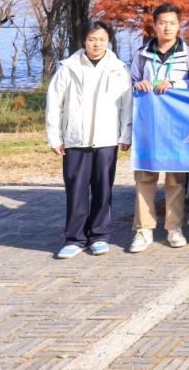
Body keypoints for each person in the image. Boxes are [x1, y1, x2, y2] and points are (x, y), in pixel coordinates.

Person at [46, 21, 132, 259]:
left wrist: (125, 134)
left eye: (102, 39)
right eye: (92, 39)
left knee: (103, 189)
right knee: (76, 190)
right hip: (76, 139)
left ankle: (100, 236)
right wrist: (55, 137)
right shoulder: (68, 68)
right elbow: (54, 103)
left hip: (106, 139)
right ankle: (75, 239)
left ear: (109, 41)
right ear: (84, 40)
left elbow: (127, 105)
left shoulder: (118, 69)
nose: (96, 44)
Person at [129, 3, 189, 253]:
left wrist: (175, 84)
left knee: (175, 179)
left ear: (179, 25)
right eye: (162, 23)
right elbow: (130, 82)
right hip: (148, 125)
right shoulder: (142, 54)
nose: (168, 28)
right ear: (155, 25)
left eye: (172, 23)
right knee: (145, 177)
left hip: (176, 127)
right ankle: (143, 229)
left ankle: (174, 227)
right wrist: (138, 85)